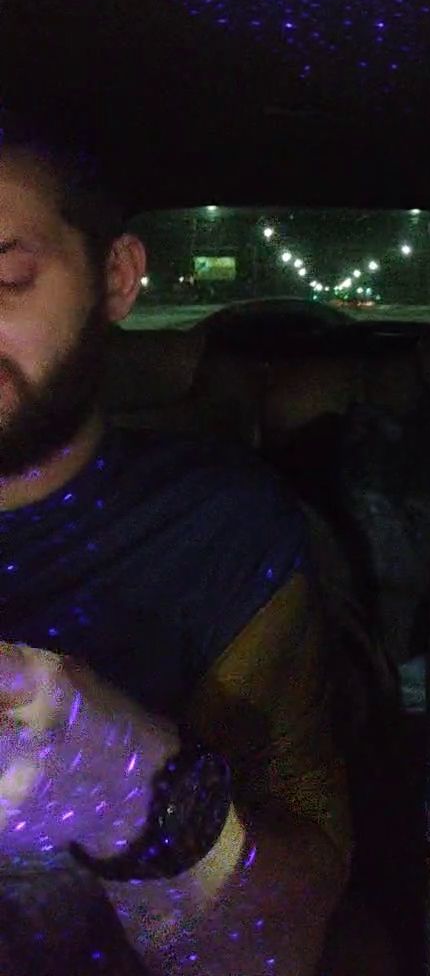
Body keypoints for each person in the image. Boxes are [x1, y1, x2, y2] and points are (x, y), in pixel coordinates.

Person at [0, 109, 352, 974]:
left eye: (7, 281)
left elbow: (283, 939)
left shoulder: (216, 529)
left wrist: (133, 793)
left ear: (116, 278)